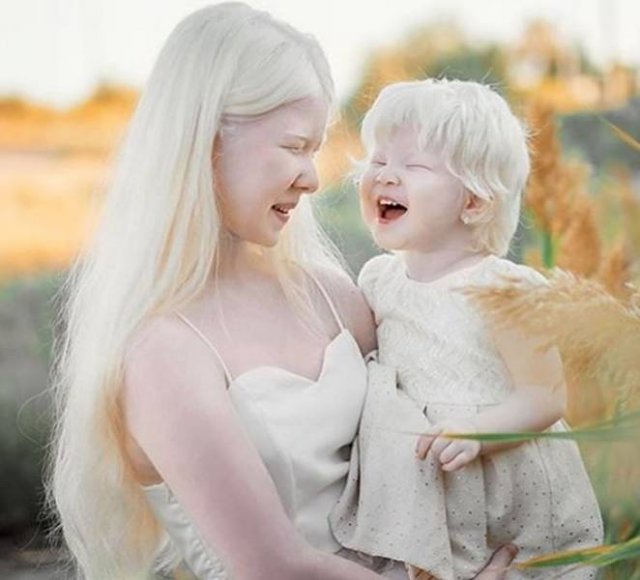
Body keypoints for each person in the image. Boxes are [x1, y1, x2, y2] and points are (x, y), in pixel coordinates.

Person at [46, 6, 516, 579]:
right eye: (295, 147)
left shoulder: (331, 296)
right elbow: (275, 565)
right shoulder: (162, 351)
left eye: (315, 151)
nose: (313, 178)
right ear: (207, 139)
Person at [330, 79, 604, 579]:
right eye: (377, 160)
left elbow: (545, 396)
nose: (386, 176)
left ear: (474, 203)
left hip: (503, 495)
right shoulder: (377, 279)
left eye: (412, 165)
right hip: (424, 488)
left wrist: (479, 433)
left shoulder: (502, 286)